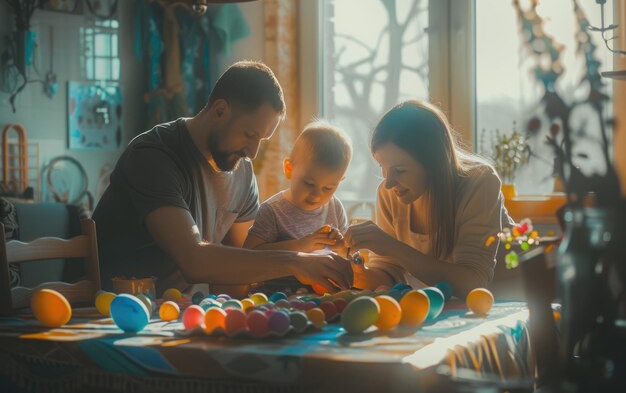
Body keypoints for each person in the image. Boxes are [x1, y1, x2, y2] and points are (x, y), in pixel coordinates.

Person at [93, 61, 352, 295]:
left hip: (185, 317)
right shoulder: (154, 156)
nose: (252, 152)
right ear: (220, 110)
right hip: (116, 316)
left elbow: (238, 271)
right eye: (250, 134)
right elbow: (194, 260)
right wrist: (297, 260)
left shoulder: (242, 171)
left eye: (261, 140)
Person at [344, 100, 514, 298]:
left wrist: (392, 247)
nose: (388, 183)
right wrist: (358, 273)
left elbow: (473, 282)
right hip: (450, 311)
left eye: (399, 170)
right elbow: (390, 273)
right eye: (383, 167)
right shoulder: (389, 193)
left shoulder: (480, 183)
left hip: (512, 304)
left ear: (434, 163)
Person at [243, 122, 351, 294]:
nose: (316, 195)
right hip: (278, 296)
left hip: (323, 294)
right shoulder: (272, 210)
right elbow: (249, 255)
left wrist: (341, 247)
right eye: (309, 183)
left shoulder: (334, 207)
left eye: (328, 188)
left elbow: (348, 255)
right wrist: (301, 245)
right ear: (289, 169)